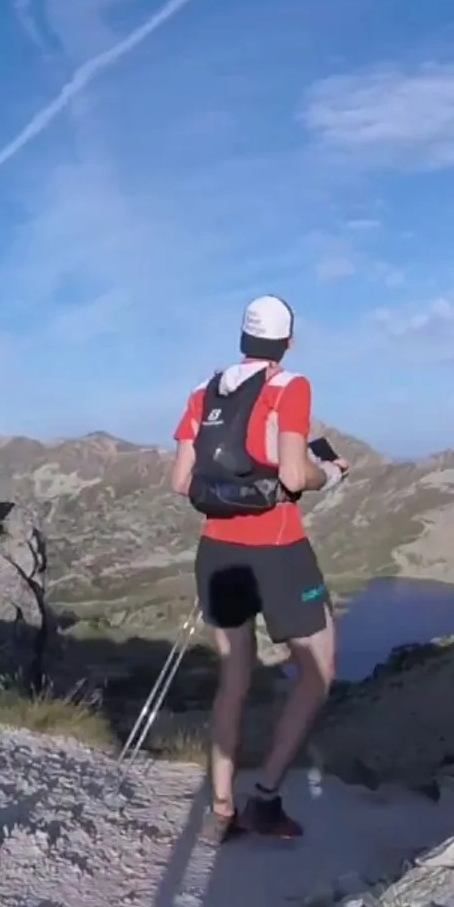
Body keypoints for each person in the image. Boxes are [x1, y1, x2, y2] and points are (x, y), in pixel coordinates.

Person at [166, 294, 349, 844]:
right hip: (278, 547)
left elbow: (180, 482)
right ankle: (265, 800)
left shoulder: (203, 392)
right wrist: (331, 473)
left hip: (216, 551)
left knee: (233, 680)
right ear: (287, 342)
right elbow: (294, 476)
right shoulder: (290, 387)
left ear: (243, 339)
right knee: (317, 674)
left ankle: (221, 811)